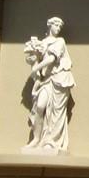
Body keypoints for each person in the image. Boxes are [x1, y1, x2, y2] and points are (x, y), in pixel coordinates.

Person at [23, 16, 75, 153]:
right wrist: (33, 57)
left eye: (59, 27)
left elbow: (52, 59)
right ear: (49, 25)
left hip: (59, 80)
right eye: (55, 25)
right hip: (46, 80)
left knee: (56, 112)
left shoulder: (60, 42)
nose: (57, 28)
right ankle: (36, 139)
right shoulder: (42, 43)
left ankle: (51, 141)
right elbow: (35, 61)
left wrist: (36, 66)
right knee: (40, 106)